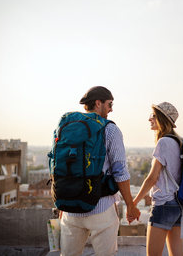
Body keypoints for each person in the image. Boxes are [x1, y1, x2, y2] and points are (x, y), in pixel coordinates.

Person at [60, 86, 140, 256]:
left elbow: (61, 167)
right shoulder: (110, 129)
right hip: (100, 208)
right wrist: (131, 206)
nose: (111, 109)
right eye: (110, 104)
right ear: (98, 103)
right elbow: (120, 172)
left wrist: (63, 204)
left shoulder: (67, 127)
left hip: (70, 209)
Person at [129, 102, 183, 256]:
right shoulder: (178, 142)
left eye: (153, 116)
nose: (149, 119)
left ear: (161, 119)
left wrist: (133, 204)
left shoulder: (163, 142)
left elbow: (152, 179)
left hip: (163, 205)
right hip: (178, 206)